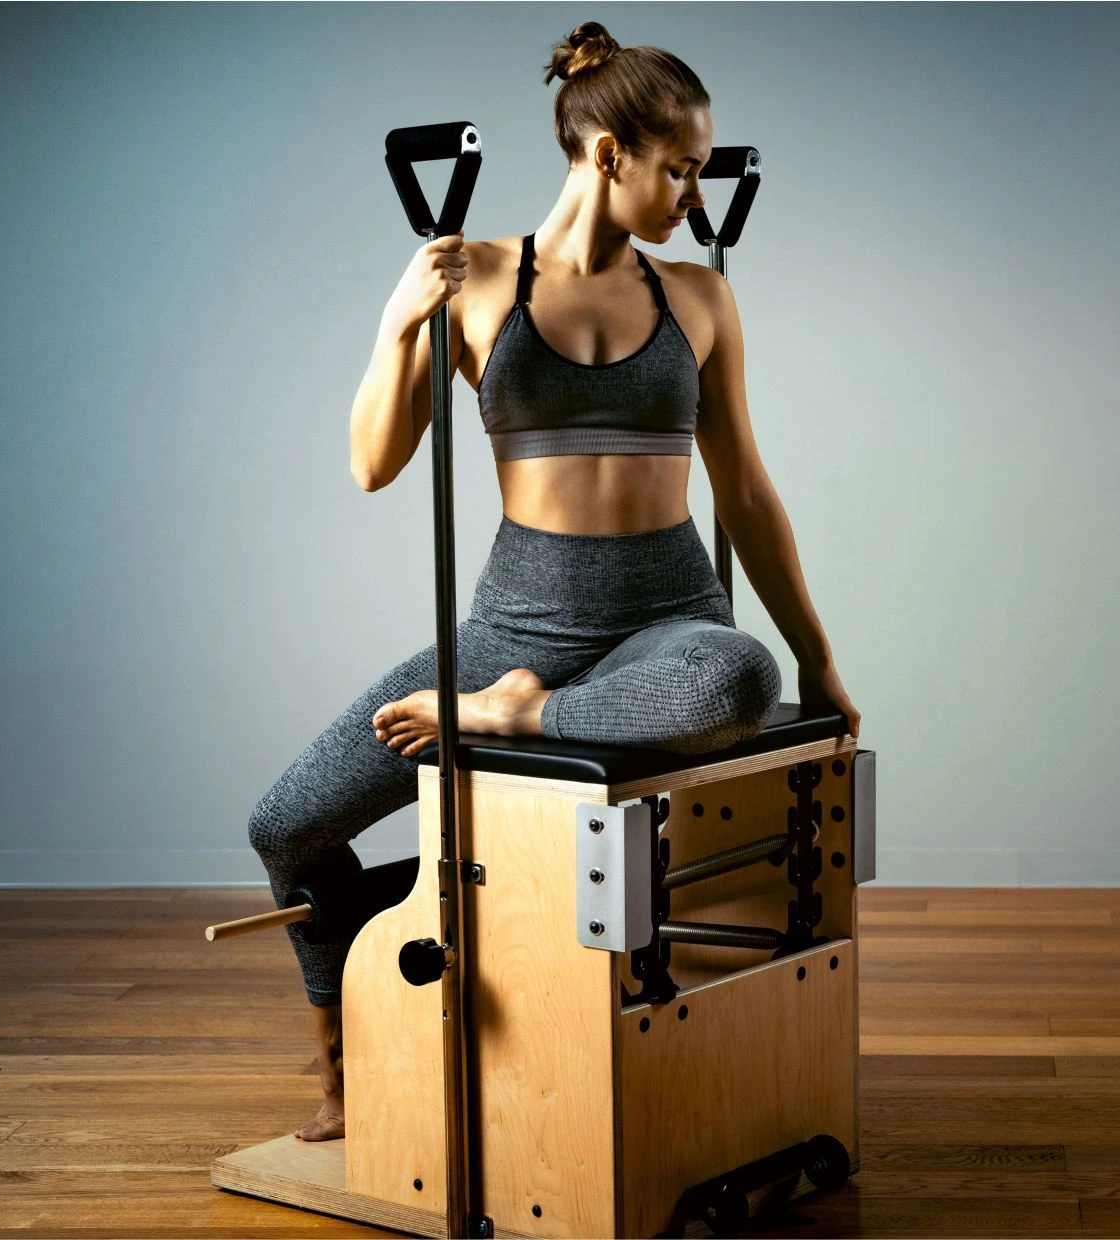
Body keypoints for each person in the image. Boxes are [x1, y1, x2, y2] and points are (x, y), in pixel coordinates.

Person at [247, 20, 861, 1142]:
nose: (692, 188)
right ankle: (343, 1057)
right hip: (512, 620)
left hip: (663, 623)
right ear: (609, 153)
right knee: (284, 825)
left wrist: (817, 661)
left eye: (699, 167)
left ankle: (514, 720)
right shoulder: (472, 275)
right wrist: (396, 326)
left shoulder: (698, 300)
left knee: (731, 682)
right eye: (677, 165)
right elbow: (372, 464)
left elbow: (750, 497)